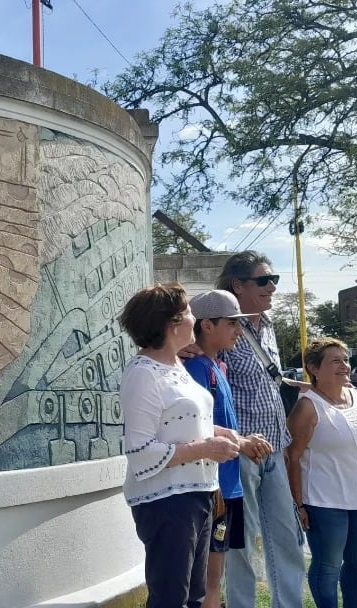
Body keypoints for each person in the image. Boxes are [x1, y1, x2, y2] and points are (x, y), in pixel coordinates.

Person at [118, 283, 241, 608]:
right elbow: (140, 451)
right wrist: (205, 449)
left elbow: (180, 424)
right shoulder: (144, 374)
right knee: (171, 598)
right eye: (188, 312)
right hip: (167, 504)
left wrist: (219, 434)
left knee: (193, 598)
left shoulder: (177, 367)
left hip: (197, 494)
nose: (194, 317)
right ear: (171, 324)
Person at [215, 250, 307, 608]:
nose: (272, 287)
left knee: (287, 539)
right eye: (263, 280)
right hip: (244, 453)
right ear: (237, 285)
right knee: (242, 545)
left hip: (274, 449)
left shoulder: (267, 326)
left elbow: (263, 381)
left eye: (274, 280)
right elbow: (213, 387)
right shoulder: (222, 327)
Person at [183, 290, 273, 608]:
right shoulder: (195, 368)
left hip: (228, 485)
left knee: (215, 574)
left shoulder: (216, 364)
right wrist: (243, 442)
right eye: (233, 323)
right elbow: (192, 426)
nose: (239, 330)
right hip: (212, 486)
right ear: (207, 326)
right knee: (208, 578)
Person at [286, 338, 357, 608]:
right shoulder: (307, 406)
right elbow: (292, 457)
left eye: (345, 360)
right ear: (313, 368)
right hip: (324, 502)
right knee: (328, 565)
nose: (344, 366)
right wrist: (298, 504)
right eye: (335, 361)